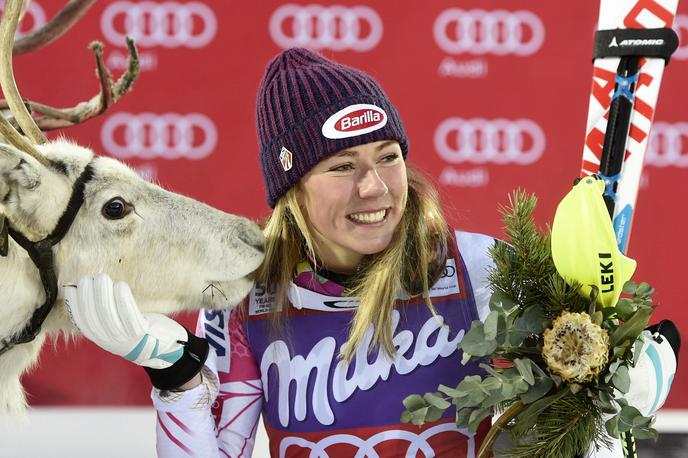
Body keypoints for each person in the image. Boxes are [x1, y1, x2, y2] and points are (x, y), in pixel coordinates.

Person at [65, 48, 677, 458]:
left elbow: (566, 425)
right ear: (291, 191)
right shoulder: (249, 297)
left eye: (388, 157)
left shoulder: (482, 270)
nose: (376, 188)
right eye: (342, 166)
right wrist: (176, 379)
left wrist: (622, 390)